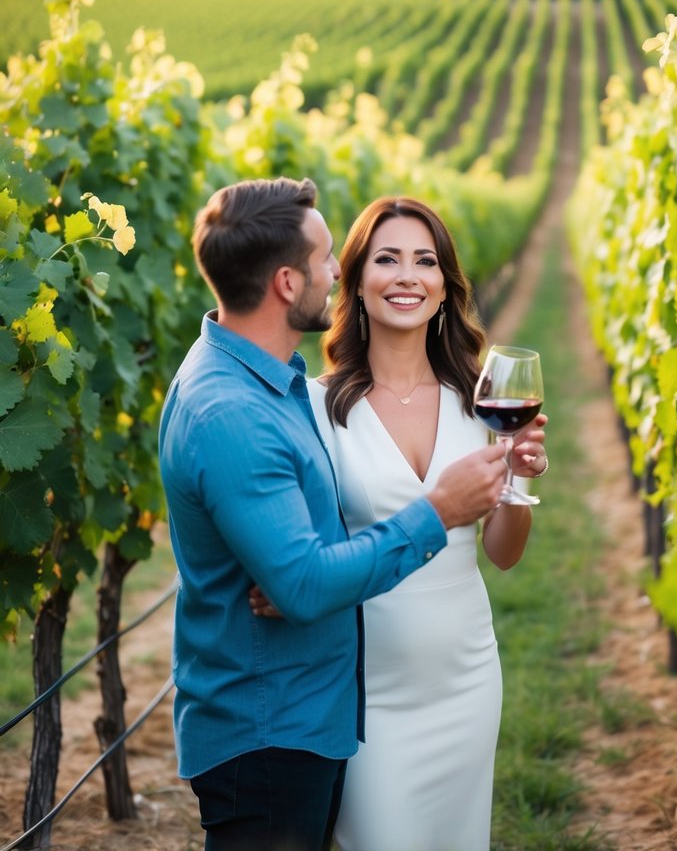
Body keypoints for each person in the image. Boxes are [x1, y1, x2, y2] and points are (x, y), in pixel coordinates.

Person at [158, 177, 509, 851]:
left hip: (327, 708)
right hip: (273, 722)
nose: (335, 274)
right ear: (288, 283)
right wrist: (429, 514)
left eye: (424, 260)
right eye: (328, 261)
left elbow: (305, 561)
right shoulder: (240, 407)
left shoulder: (274, 386)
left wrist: (303, 573)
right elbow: (307, 580)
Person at [254, 195, 548, 851]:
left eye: (424, 261)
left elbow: (502, 555)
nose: (407, 276)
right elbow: (298, 553)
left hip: (468, 678)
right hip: (367, 695)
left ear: (445, 289)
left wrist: (520, 475)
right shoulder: (315, 409)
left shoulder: (481, 405)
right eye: (386, 259)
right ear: (355, 284)